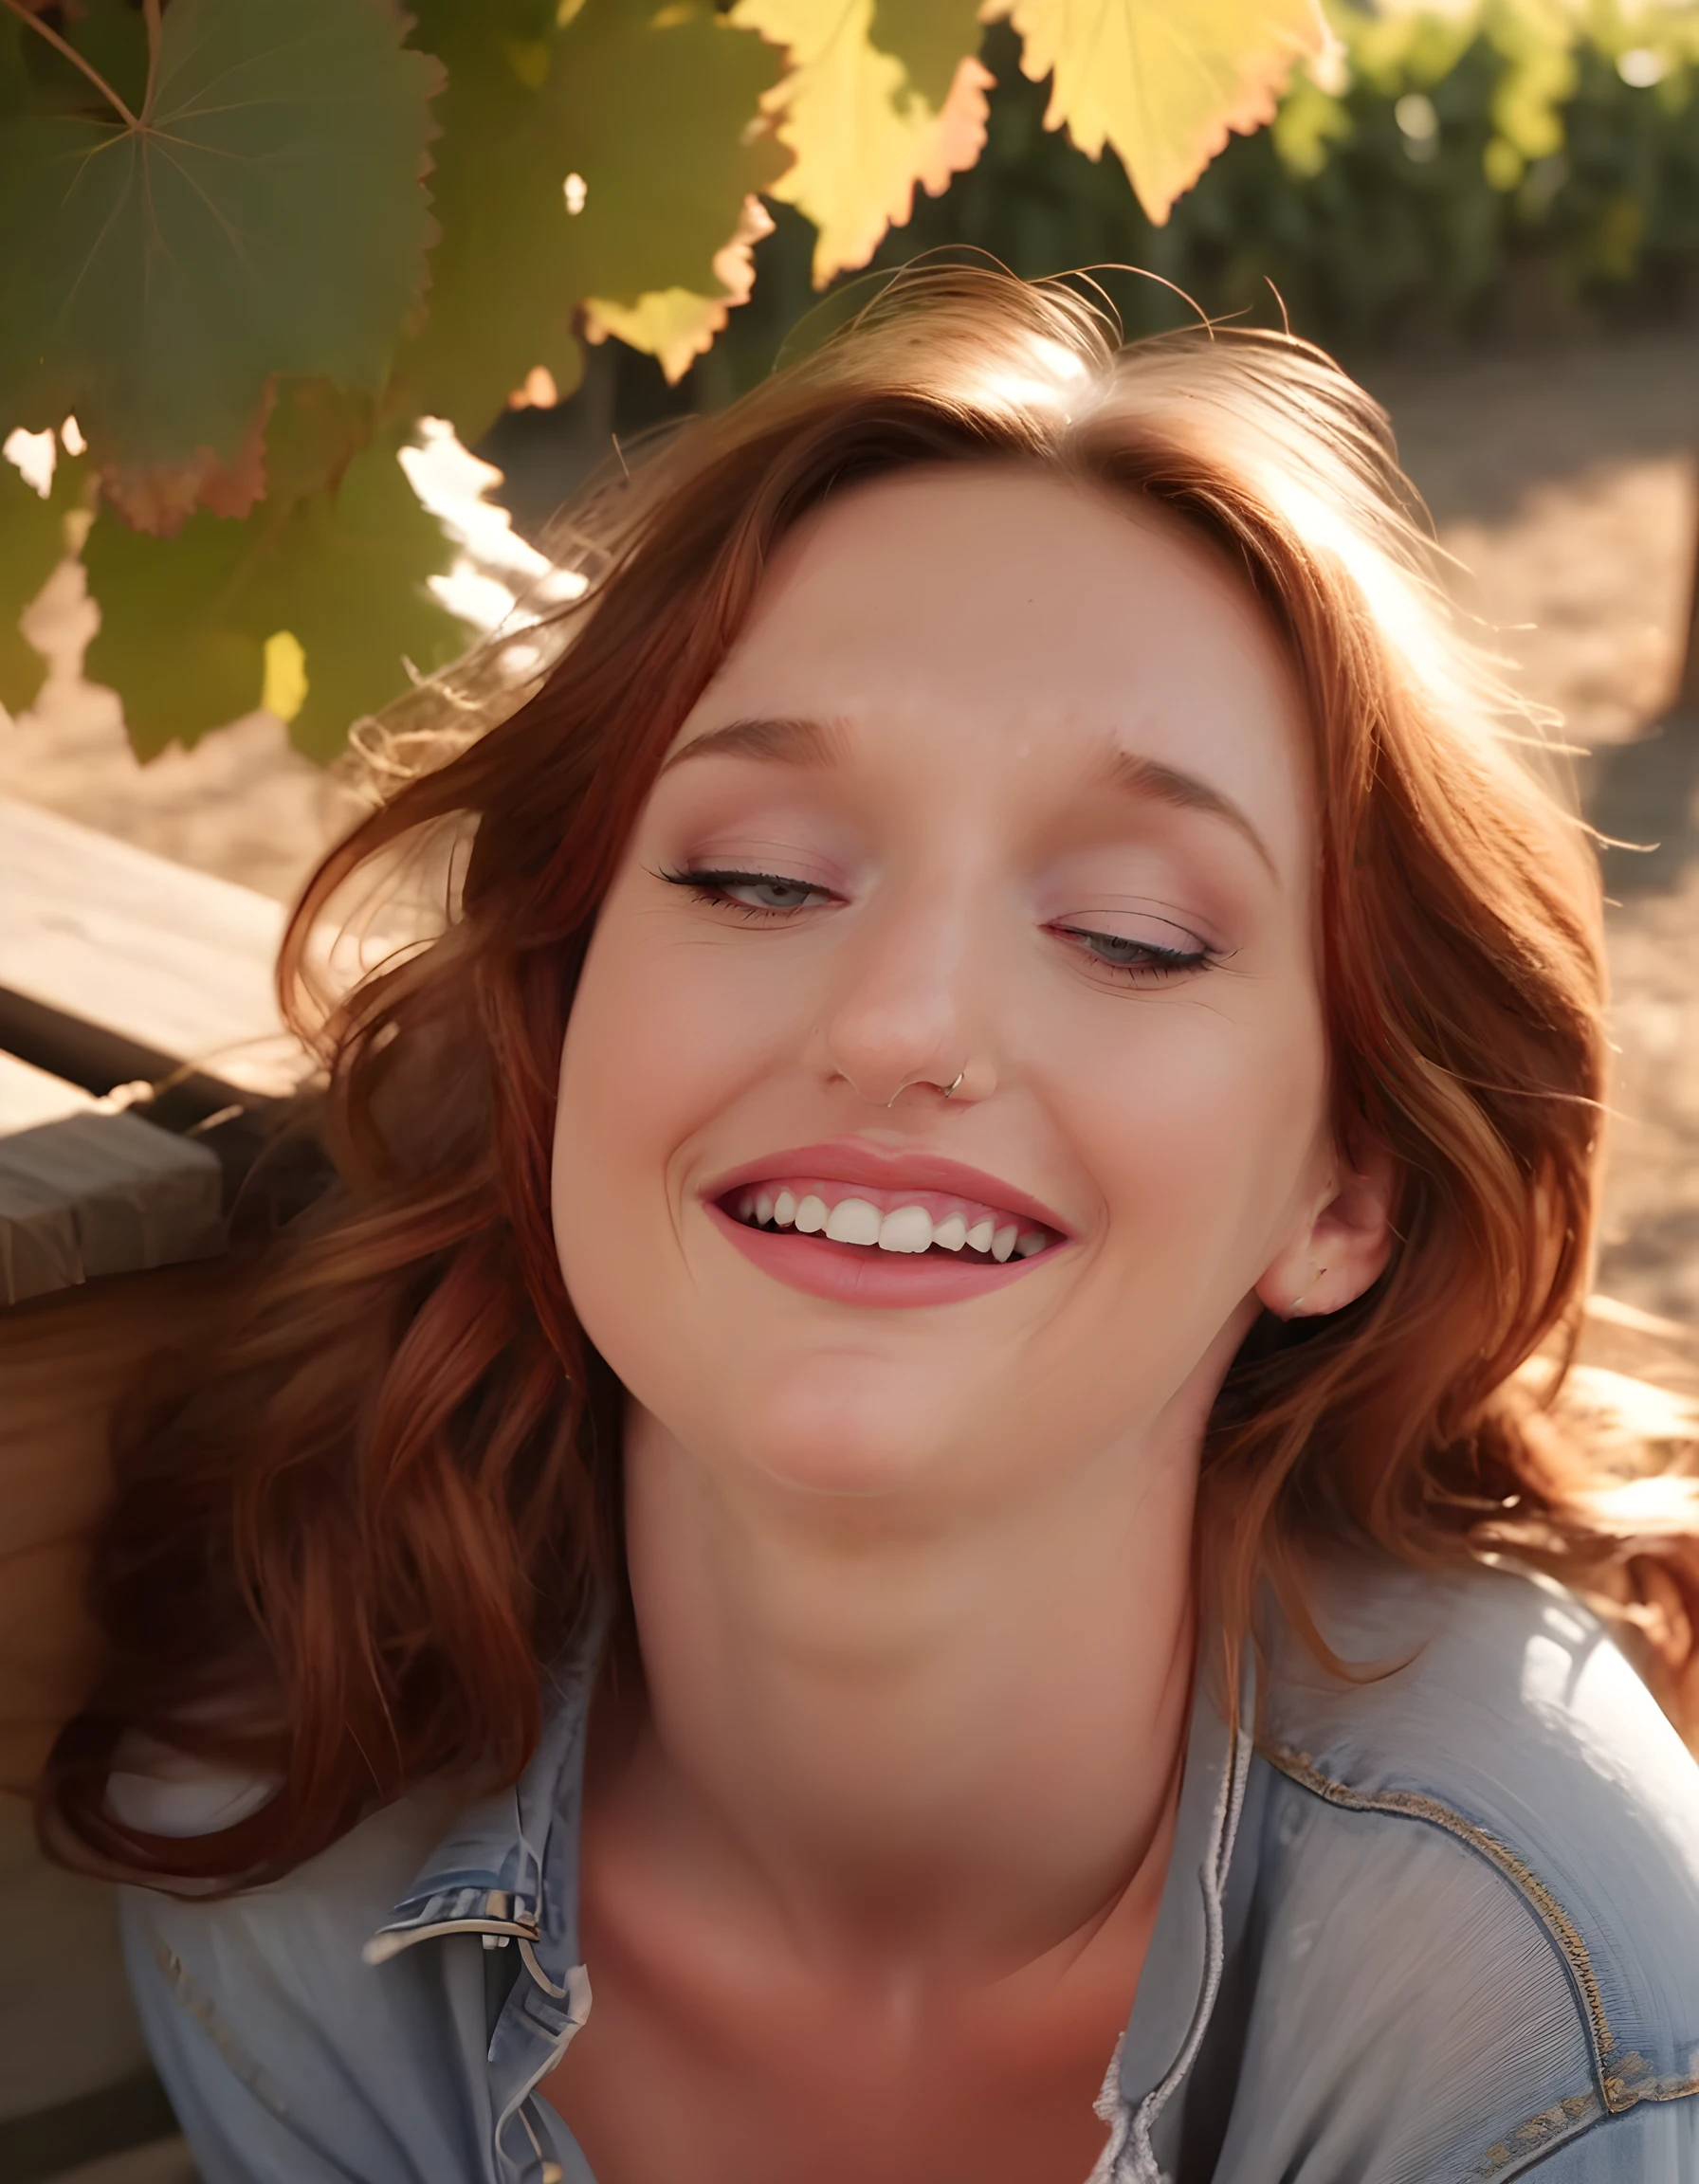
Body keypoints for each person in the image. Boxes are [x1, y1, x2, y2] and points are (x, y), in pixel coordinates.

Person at [35, 266, 1699, 2182]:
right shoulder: (276, 1851)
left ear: (1342, 1199)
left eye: (1128, 933)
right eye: (752, 881)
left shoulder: (1533, 2008)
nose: (899, 1024)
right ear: (556, 1028)